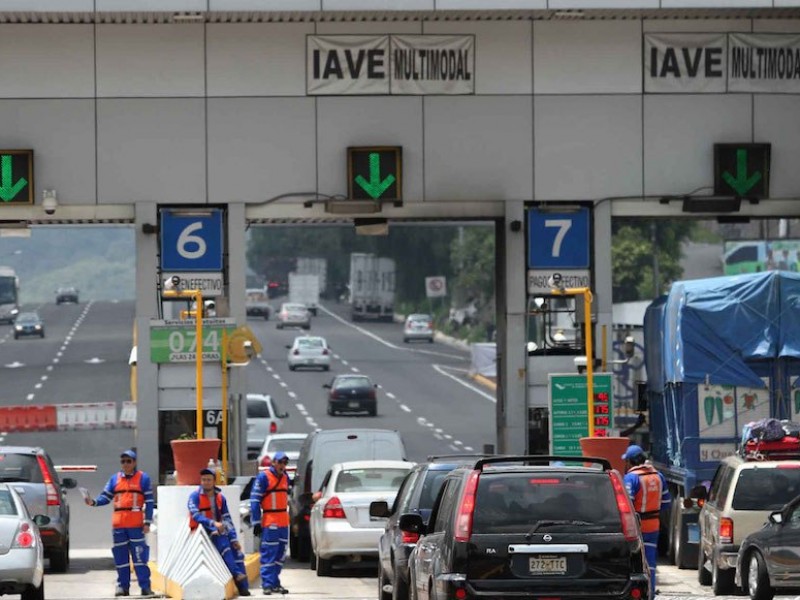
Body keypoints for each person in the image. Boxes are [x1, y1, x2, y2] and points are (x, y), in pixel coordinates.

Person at [85, 449, 154, 597]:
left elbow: (149, 502)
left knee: (140, 558)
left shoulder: (143, 478)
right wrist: (93, 502)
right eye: (123, 461)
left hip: (136, 526)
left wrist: (147, 521)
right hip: (119, 526)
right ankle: (123, 587)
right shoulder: (114, 479)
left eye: (129, 461)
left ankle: (145, 587)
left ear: (134, 463)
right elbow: (106, 497)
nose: (126, 464)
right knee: (121, 559)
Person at [187, 468, 250, 597]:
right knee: (224, 544)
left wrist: (234, 539)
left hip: (218, 530)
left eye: (209, 480)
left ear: (214, 481)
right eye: (204, 480)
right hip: (202, 531)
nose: (206, 482)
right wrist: (213, 524)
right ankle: (237, 574)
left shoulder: (220, 498)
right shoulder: (194, 496)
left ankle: (244, 588)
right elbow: (196, 516)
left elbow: (227, 519)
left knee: (236, 551)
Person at [622, 445, 670, 597]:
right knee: (651, 563)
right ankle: (650, 594)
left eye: (627, 461)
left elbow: (627, 505)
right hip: (653, 526)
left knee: (633, 564)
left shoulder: (631, 478)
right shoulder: (659, 476)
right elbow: (666, 503)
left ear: (631, 461)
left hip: (636, 528)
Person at [250, 451, 291, 595]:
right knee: (269, 553)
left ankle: (274, 582)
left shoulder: (286, 477)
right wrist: (256, 522)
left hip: (283, 521)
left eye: (285, 463)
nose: (282, 465)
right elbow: (254, 500)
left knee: (280, 554)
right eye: (280, 462)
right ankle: (267, 584)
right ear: (273, 463)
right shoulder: (264, 477)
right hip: (270, 520)